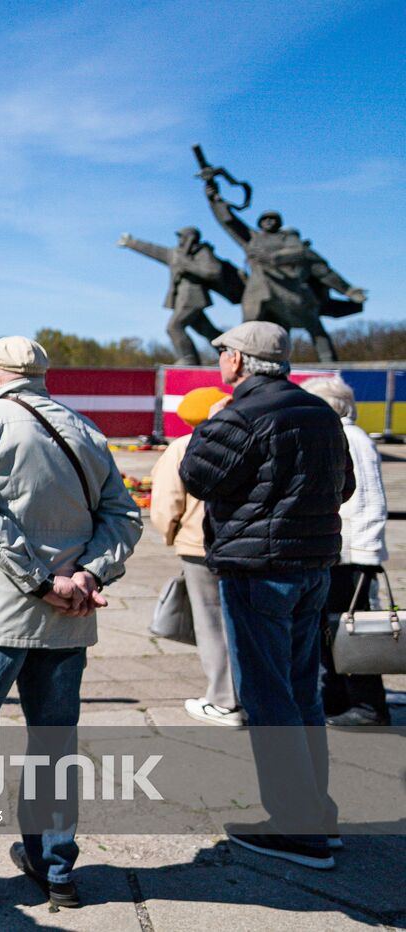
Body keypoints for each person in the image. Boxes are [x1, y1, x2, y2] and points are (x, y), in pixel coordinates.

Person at [0, 336, 142, 909]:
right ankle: (56, 868)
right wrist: (88, 577)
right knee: (54, 743)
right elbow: (124, 516)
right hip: (71, 618)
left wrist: (37, 580)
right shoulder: (85, 429)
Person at [180, 321, 351, 869]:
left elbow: (198, 477)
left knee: (268, 697)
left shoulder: (242, 413)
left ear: (239, 362)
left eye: (223, 353)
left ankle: (297, 827)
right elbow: (342, 485)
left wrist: (209, 432)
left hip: (260, 570)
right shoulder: (319, 412)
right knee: (302, 692)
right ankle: (316, 813)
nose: (219, 362)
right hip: (313, 568)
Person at [149, 387, 244, 725]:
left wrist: (172, 533)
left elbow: (166, 503)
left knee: (212, 625)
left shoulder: (182, 447)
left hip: (198, 546)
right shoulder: (249, 439)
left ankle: (224, 700)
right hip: (246, 548)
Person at [302, 375, 390, 727]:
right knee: (333, 630)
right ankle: (338, 697)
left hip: (350, 556)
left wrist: (365, 555)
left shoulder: (349, 439)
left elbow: (368, 502)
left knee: (353, 631)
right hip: (341, 553)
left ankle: (368, 705)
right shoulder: (344, 436)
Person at [202, 181, 365, 361]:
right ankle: (243, 362)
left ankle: (329, 364)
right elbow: (229, 222)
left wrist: (349, 290)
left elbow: (312, 262)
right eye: (265, 219)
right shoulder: (252, 239)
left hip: (290, 292)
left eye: (273, 218)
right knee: (249, 331)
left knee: (315, 328)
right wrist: (214, 199)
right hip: (259, 292)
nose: (269, 221)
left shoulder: (289, 240)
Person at [117, 228, 242, 364]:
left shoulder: (202, 252)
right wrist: (131, 243)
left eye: (183, 236)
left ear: (191, 237)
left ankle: (189, 359)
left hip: (194, 297)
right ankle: (232, 355)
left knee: (174, 327)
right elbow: (154, 250)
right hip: (181, 298)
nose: (180, 239)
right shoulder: (176, 254)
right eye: (179, 237)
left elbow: (213, 272)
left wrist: (188, 265)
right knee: (208, 332)